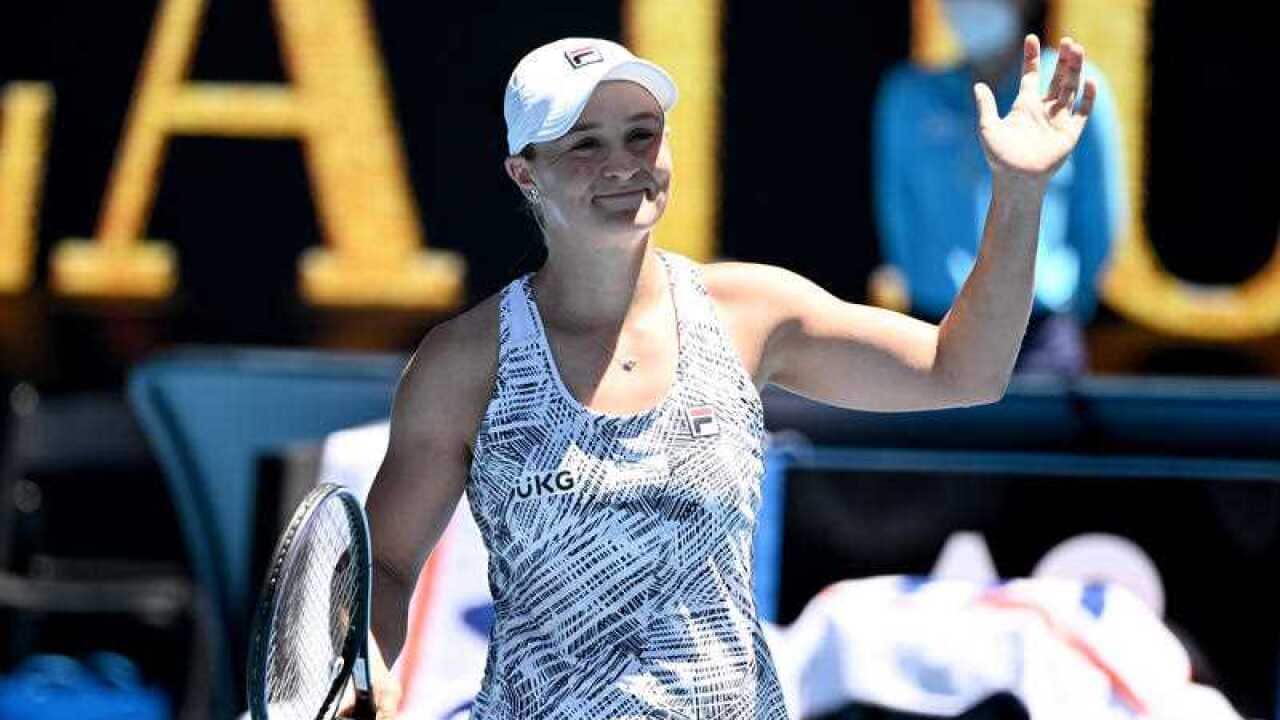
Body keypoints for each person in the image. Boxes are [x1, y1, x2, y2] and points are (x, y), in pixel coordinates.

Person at [347, 33, 1097, 719]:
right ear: (525, 174)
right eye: (584, 144)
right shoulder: (463, 361)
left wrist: (1019, 193)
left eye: (642, 134)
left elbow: (965, 370)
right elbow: (388, 566)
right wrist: (365, 667)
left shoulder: (751, 312)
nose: (622, 163)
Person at [872, 0, 1124, 376]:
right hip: (932, 327)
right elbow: (897, 214)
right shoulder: (909, 96)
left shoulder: (1072, 90)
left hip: (1038, 339)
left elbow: (1098, 224)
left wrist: (1067, 309)